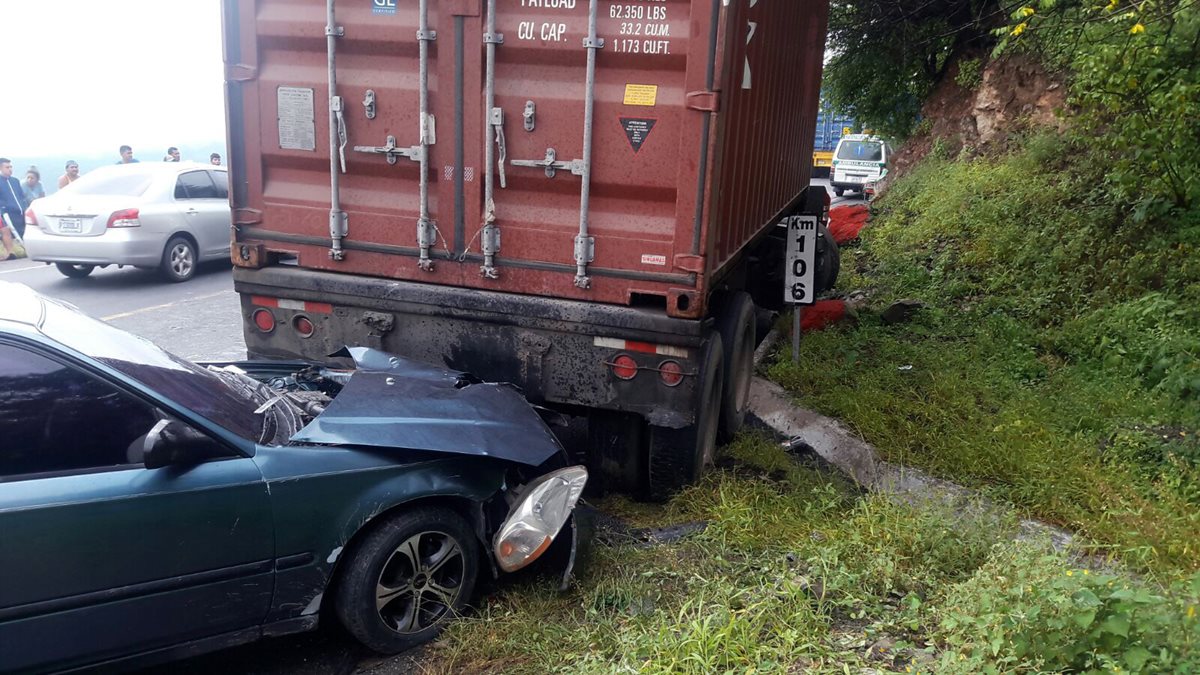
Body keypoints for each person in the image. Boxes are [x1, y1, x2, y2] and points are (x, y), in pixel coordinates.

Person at [0, 158, 28, 258]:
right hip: (7, 212)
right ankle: (11, 253)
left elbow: (21, 196)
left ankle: (29, 250)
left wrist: (24, 207)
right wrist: (2, 209)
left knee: (23, 231)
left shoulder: (15, 181)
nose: (10, 169)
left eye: (11, 167)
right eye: (7, 167)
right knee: (9, 231)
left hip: (20, 211)